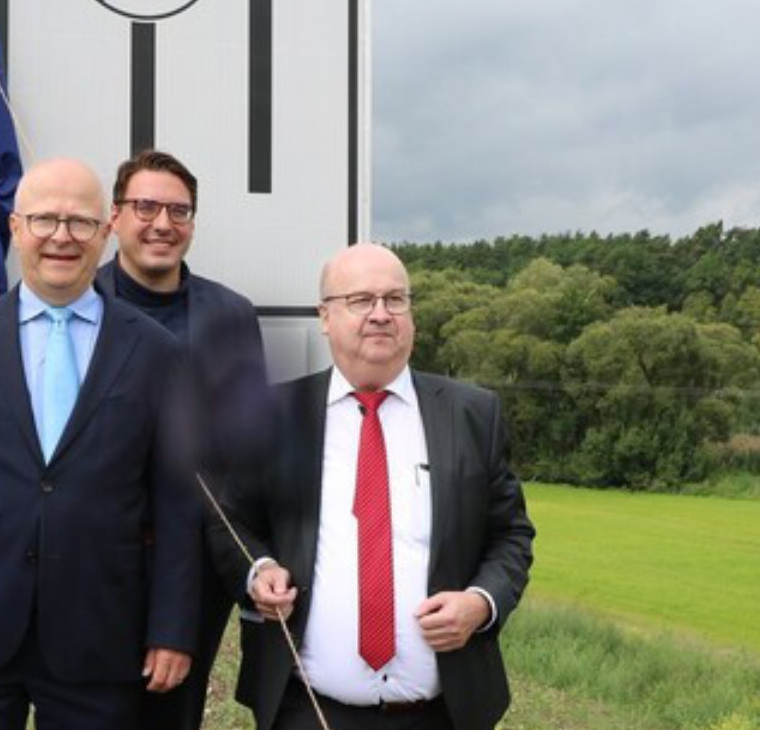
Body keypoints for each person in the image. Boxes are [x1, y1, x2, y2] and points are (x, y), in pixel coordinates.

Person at [0, 157, 200, 730]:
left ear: (106, 233)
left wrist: (172, 628)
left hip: (99, 636)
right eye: (45, 219)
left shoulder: (156, 352)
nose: (61, 237)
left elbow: (177, 504)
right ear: (15, 228)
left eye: (79, 222)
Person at [211, 243, 535, 730]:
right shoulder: (275, 416)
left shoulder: (472, 414)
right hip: (305, 709)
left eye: (395, 299)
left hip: (444, 713)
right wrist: (258, 568)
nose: (381, 314)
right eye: (361, 300)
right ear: (325, 316)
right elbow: (228, 519)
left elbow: (510, 534)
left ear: (411, 314)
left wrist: (480, 603)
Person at [94, 149, 267, 730]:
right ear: (114, 217)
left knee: (173, 715)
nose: (162, 223)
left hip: (192, 563)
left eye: (179, 210)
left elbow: (246, 450)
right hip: (92, 561)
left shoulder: (232, 315)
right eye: (145, 206)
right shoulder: (78, 306)